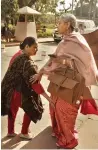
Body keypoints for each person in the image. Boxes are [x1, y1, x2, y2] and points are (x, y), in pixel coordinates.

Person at [31, 14, 98, 148]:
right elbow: (53, 60)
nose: (57, 25)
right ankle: (59, 131)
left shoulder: (77, 40)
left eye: (60, 23)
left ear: (67, 25)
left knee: (65, 110)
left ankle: (69, 139)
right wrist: (41, 72)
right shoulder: (65, 41)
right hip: (60, 81)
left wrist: (68, 62)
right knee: (54, 106)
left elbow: (86, 62)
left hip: (74, 84)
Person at [1, 37, 53, 140]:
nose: (36, 50)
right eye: (34, 47)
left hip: (9, 89)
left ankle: (10, 132)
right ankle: (24, 133)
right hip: (19, 92)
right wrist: (49, 99)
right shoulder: (28, 63)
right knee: (32, 109)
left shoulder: (17, 55)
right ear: (26, 46)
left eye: (37, 48)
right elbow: (35, 84)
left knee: (12, 110)